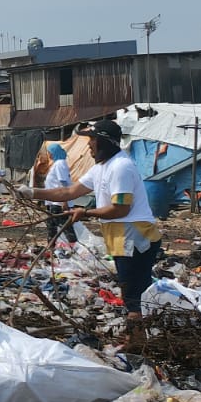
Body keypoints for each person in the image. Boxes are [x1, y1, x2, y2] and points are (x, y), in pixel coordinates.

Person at [23, 119, 163, 329]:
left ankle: (139, 339)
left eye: (93, 140)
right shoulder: (101, 168)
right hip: (121, 237)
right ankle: (144, 331)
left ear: (106, 142)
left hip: (134, 238)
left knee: (134, 294)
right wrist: (33, 193)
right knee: (132, 291)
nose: (89, 145)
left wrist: (85, 212)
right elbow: (69, 192)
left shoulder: (121, 167)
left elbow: (120, 208)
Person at [40, 142, 77, 241]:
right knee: (52, 226)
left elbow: (63, 182)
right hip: (53, 201)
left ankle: (73, 247)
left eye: (50, 152)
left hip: (58, 202)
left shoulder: (60, 163)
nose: (49, 155)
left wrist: (64, 201)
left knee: (65, 226)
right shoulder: (57, 163)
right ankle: (52, 246)